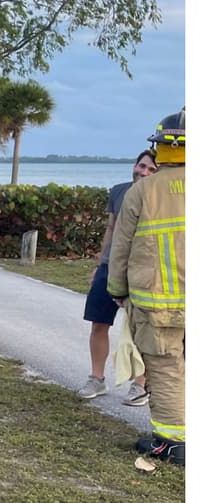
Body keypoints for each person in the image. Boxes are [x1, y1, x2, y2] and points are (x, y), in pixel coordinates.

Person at [107, 109, 185, 467]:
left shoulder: (143, 191)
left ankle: (171, 442)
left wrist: (117, 290)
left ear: (159, 148)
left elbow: (121, 247)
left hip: (159, 305)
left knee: (167, 368)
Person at [77, 149, 157, 400]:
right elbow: (111, 228)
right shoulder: (118, 191)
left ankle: (140, 384)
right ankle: (97, 379)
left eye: (151, 169)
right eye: (141, 166)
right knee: (99, 322)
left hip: (141, 271)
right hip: (110, 267)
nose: (143, 172)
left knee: (141, 330)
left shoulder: (159, 197)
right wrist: (100, 263)